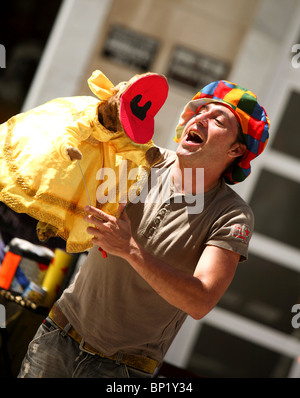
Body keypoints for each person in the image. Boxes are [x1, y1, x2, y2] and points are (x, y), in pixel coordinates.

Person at [18, 79, 270, 378]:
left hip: (123, 368)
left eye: (218, 119)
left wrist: (129, 250)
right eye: (200, 111)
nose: (201, 117)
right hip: (59, 334)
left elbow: (201, 300)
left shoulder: (232, 215)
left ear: (236, 149)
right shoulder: (141, 159)